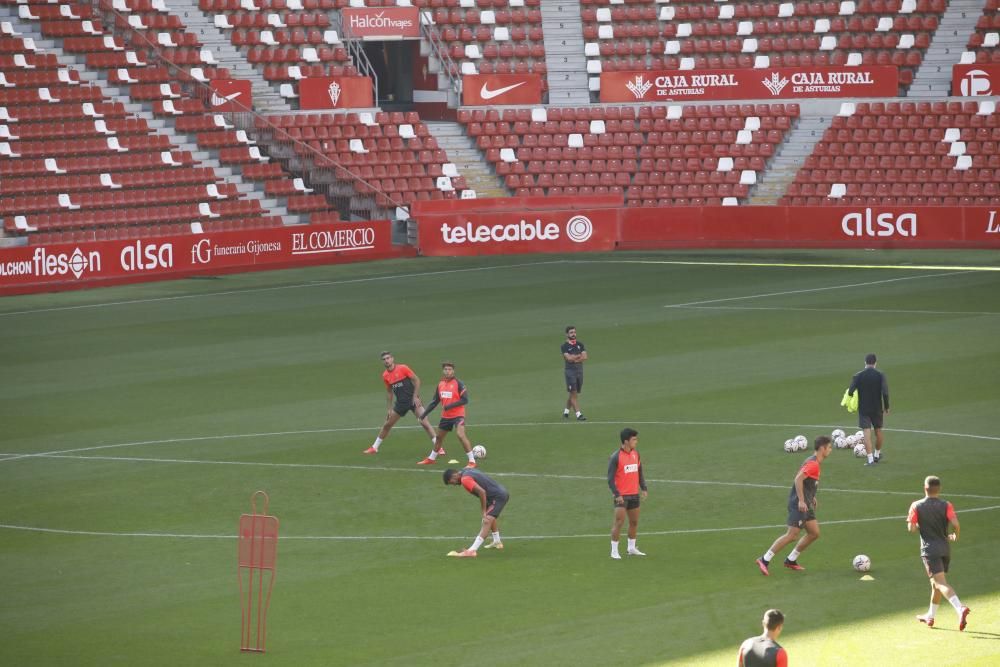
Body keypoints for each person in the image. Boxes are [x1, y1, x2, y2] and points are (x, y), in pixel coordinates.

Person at [756, 436, 833, 575]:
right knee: (792, 535)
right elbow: (798, 479)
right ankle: (764, 559)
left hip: (806, 503)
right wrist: (802, 500)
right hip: (800, 504)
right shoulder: (813, 464)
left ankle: (791, 560)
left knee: (814, 533)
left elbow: (806, 482)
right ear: (822, 448)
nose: (830, 450)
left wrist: (812, 496)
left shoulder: (812, 460)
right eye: (829, 447)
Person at [908, 475, 971, 631]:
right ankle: (930, 615)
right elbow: (956, 524)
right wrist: (955, 534)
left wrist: (917, 523)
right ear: (939, 489)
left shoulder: (916, 505)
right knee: (935, 584)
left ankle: (959, 608)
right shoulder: (946, 505)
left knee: (941, 583)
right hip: (944, 548)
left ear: (925, 488)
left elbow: (912, 529)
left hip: (930, 550)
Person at [363, 351, 438, 455]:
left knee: (425, 423)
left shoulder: (403, 368)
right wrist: (389, 409)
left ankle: (438, 448)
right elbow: (389, 392)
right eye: (384, 359)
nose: (386, 361)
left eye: (388, 358)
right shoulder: (385, 375)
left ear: (392, 359)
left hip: (413, 401)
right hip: (401, 404)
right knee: (387, 425)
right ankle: (374, 447)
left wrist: (415, 396)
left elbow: (417, 380)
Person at [417, 362, 476, 468]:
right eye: (445, 369)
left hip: (458, 415)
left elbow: (465, 400)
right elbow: (434, 401)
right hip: (446, 417)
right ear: (443, 371)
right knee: (439, 438)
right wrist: (423, 415)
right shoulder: (440, 384)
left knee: (460, 435)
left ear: (453, 371)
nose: (447, 371)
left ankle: (472, 461)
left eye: (449, 369)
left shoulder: (459, 384)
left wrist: (450, 406)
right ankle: (431, 459)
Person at [443, 467, 509, 557]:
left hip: (497, 497)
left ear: (454, 475)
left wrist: (483, 511)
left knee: (486, 520)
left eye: (452, 482)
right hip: (496, 493)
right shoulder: (466, 470)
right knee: (490, 517)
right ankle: (497, 541)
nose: (454, 485)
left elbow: (482, 492)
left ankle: (472, 551)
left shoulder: (465, 479)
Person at [608, 427, 647, 559]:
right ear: (626, 441)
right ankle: (614, 551)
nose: (636, 441)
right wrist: (616, 494)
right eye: (634, 439)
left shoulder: (636, 454)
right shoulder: (615, 457)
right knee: (619, 522)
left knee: (634, 522)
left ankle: (631, 548)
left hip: (634, 494)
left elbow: (639, 472)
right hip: (621, 496)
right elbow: (610, 479)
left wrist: (644, 488)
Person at [847, 353, 889, 465]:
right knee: (878, 431)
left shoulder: (858, 376)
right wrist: (887, 407)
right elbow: (885, 392)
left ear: (865, 362)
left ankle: (870, 460)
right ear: (875, 363)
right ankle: (877, 454)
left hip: (864, 409)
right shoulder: (881, 375)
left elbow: (850, 392)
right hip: (877, 408)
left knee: (866, 432)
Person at [561, 325, 587, 421]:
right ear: (567, 334)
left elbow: (585, 357)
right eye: (571, 332)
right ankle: (579, 415)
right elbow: (568, 358)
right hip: (570, 372)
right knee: (574, 393)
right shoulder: (564, 346)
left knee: (573, 394)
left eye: (574, 332)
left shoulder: (580, 344)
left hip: (579, 372)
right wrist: (578, 357)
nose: (573, 334)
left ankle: (566, 412)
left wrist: (574, 358)